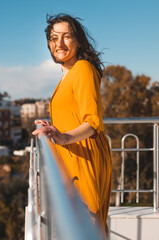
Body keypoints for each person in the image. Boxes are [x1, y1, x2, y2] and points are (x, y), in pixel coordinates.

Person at [32, 14, 112, 238]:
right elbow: (73, 115)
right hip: (73, 155)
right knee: (88, 225)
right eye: (54, 38)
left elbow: (93, 123)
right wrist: (54, 127)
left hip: (84, 156)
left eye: (66, 37)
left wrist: (63, 137)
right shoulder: (68, 74)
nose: (59, 44)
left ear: (78, 41)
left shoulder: (83, 68)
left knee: (89, 225)